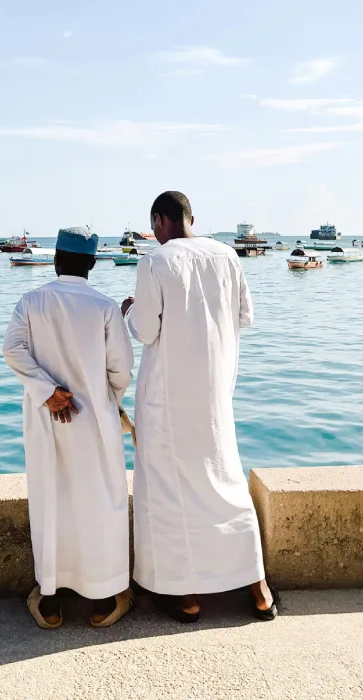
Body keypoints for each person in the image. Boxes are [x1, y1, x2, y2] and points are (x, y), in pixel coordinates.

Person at [122, 192, 277, 623]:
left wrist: (130, 310)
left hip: (167, 399)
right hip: (215, 393)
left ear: (159, 220)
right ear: (191, 217)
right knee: (225, 483)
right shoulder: (227, 256)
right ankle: (258, 589)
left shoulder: (155, 261)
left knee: (168, 492)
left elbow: (145, 331)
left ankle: (186, 596)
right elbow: (245, 316)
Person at [3, 226, 135, 630]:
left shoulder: (31, 301)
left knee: (51, 501)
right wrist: (103, 399)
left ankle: (50, 603)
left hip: (47, 422)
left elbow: (13, 350)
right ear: (92, 263)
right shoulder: (105, 307)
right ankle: (103, 600)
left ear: (57, 259)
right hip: (95, 422)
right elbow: (121, 371)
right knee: (100, 502)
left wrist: (48, 392)